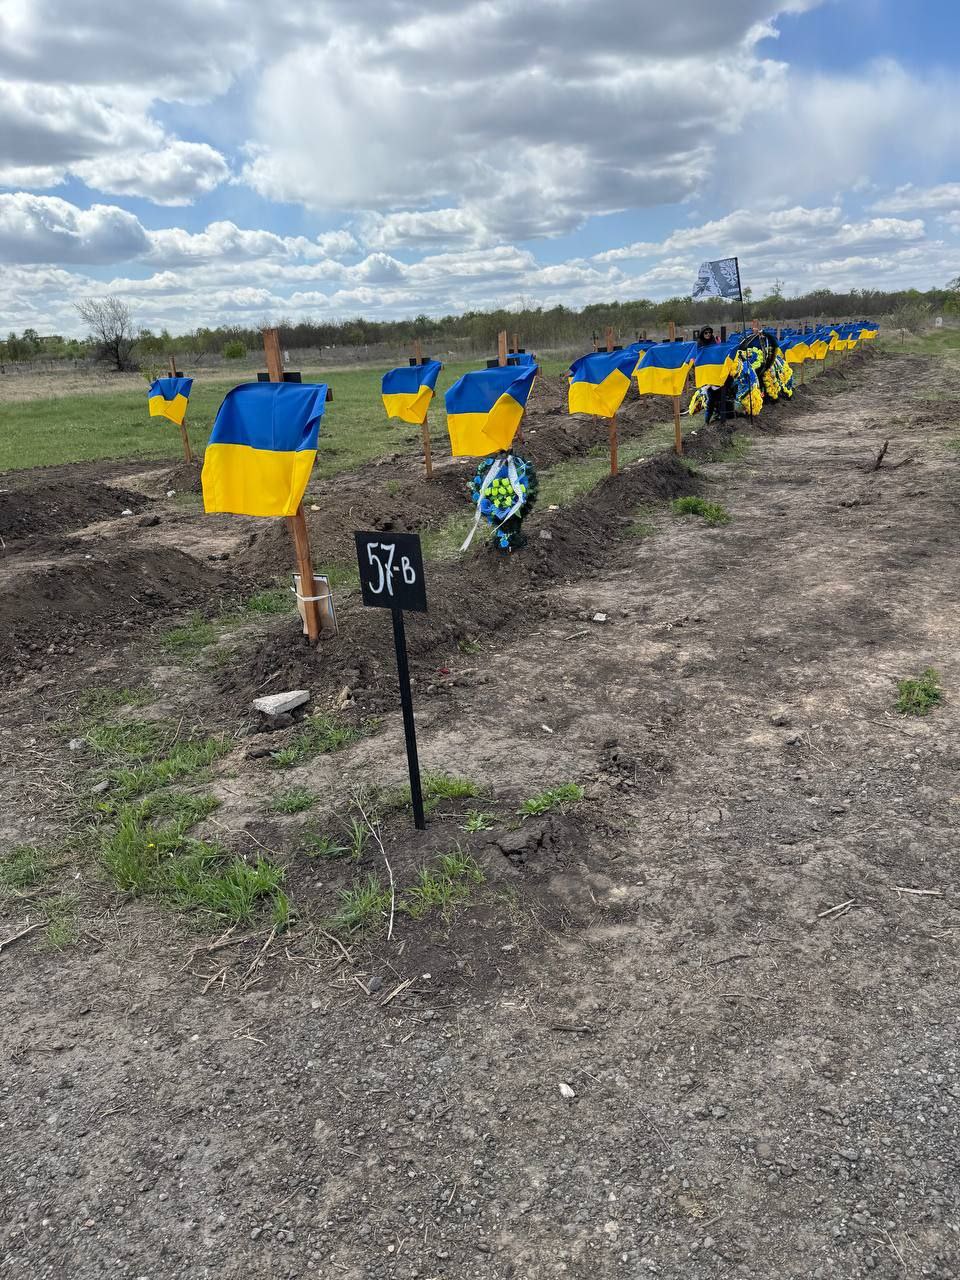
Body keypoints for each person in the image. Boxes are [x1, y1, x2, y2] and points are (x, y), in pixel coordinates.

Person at [695, 326, 727, 424]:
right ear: (702, 334)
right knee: (711, 398)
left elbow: (719, 354)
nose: (708, 334)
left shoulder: (714, 342)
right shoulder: (699, 345)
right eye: (706, 333)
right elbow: (697, 359)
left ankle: (718, 415)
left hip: (716, 372)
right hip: (706, 374)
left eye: (709, 332)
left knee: (720, 396)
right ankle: (707, 421)